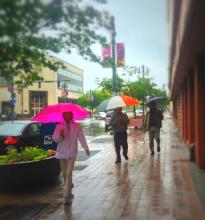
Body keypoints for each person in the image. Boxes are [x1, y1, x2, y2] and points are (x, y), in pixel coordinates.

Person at [53, 111, 90, 205]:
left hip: (72, 152)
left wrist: (86, 148)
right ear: (63, 115)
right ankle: (68, 187)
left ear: (72, 115)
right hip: (61, 152)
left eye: (69, 114)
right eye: (65, 114)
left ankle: (66, 195)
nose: (67, 116)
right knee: (65, 174)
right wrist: (60, 136)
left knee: (69, 173)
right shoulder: (59, 126)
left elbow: (82, 137)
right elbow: (55, 139)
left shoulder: (77, 125)